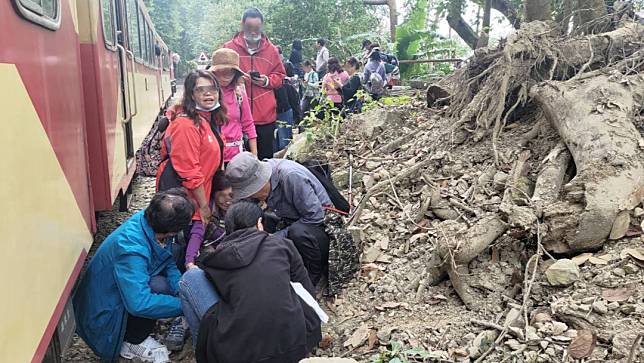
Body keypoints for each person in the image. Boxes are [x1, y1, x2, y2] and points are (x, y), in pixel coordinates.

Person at [180, 201, 322, 363]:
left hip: (238, 356)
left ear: (228, 229)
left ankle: (202, 349)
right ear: (259, 224)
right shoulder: (281, 244)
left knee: (190, 278)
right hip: (294, 347)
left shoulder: (216, 259)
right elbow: (306, 290)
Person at [73, 189, 194, 363]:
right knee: (158, 286)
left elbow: (167, 261)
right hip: (103, 319)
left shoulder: (149, 222)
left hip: (114, 297)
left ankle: (136, 331)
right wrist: (185, 306)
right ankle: (131, 341)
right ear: (172, 232)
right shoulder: (131, 248)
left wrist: (181, 291)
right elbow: (139, 304)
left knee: (171, 265)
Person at [226, 152, 331, 286]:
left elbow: (316, 217)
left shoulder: (290, 177)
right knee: (257, 219)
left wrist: (276, 236)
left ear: (260, 182)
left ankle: (311, 277)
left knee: (298, 233)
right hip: (289, 220)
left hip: (320, 228)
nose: (250, 195)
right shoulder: (267, 175)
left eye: (250, 191)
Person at [156, 70, 226, 228]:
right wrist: (203, 206)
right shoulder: (185, 125)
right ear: (191, 95)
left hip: (201, 198)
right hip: (187, 204)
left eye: (213, 88)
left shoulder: (209, 118)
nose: (208, 93)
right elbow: (189, 171)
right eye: (201, 89)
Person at [224, 8, 286, 160]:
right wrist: (235, 79)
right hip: (234, 118)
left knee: (265, 160)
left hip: (264, 117)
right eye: (249, 28)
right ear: (242, 25)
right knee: (236, 163)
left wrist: (266, 80)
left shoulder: (271, 50)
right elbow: (218, 75)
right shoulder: (229, 49)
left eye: (256, 28)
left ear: (262, 26)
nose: (253, 32)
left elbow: (281, 76)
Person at [210, 48, 258, 162]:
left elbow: (248, 124)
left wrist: (255, 155)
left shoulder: (239, 93)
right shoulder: (207, 94)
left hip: (237, 157)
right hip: (213, 156)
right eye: (222, 71)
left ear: (235, 73)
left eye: (230, 71)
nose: (226, 76)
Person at [183, 171, 233, 270]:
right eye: (222, 195)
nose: (227, 200)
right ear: (214, 194)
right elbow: (197, 234)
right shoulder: (207, 210)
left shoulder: (240, 207)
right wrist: (189, 261)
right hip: (210, 251)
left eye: (231, 195)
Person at [274, 61, 303, 151]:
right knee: (283, 138)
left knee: (283, 140)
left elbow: (285, 101)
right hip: (287, 110)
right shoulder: (292, 81)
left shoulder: (284, 84)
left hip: (283, 111)